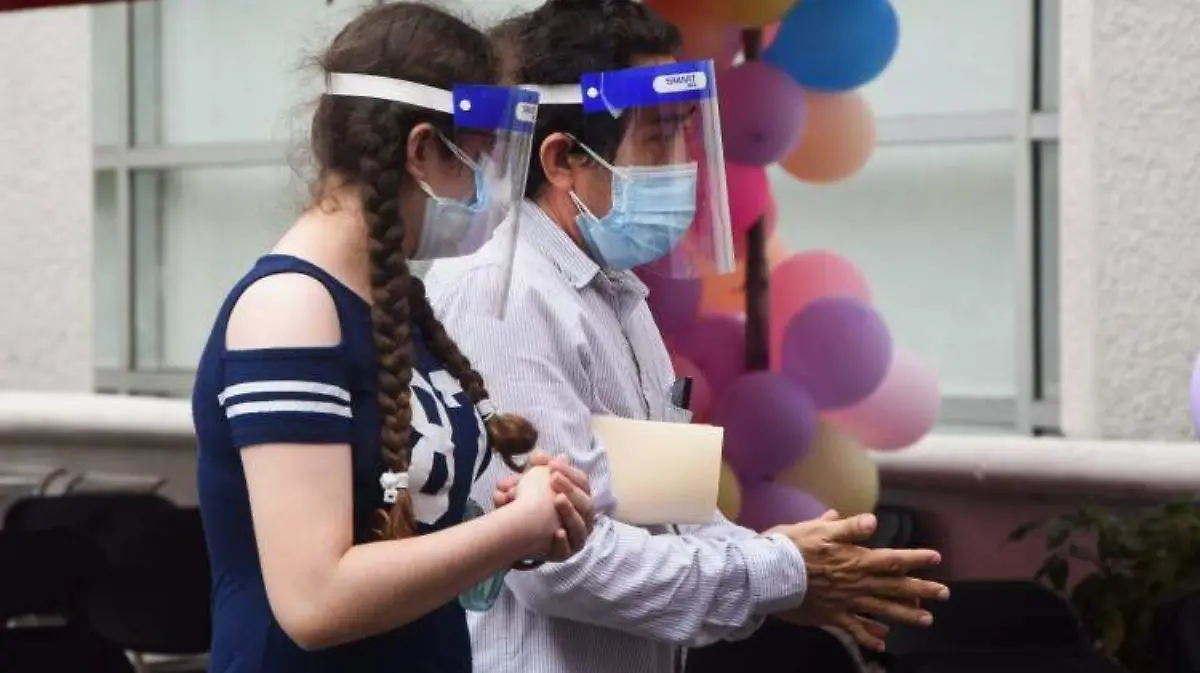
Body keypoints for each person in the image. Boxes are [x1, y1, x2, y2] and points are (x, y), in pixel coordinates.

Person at [423, 1, 949, 672]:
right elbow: (555, 562)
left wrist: (785, 569)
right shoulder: (501, 296)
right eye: (659, 138)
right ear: (562, 160)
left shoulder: (616, 294)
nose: (683, 165)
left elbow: (668, 509)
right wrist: (779, 571)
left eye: (684, 135)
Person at [190, 4, 594, 672]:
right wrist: (510, 530)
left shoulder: (391, 299)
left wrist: (514, 521)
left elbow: (396, 532)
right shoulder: (291, 310)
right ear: (422, 150)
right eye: (479, 158)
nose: (491, 190)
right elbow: (316, 600)